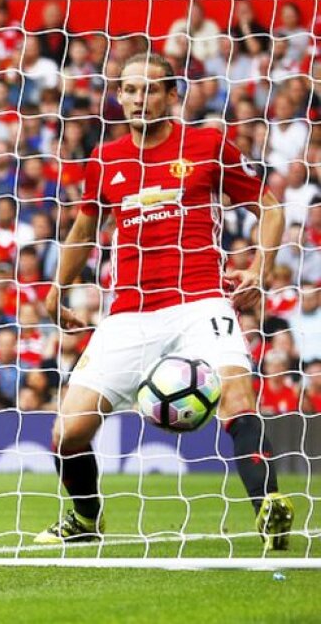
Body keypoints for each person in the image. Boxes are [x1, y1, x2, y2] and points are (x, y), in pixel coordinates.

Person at [37, 53, 293, 549]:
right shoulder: (105, 158)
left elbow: (269, 205)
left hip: (200, 297)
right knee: (68, 433)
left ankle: (268, 507)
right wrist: (56, 287)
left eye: (150, 90)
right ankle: (85, 518)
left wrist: (261, 266)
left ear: (172, 96)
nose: (138, 99)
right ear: (119, 96)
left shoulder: (206, 144)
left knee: (238, 398)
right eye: (129, 90)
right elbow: (87, 227)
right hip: (129, 311)